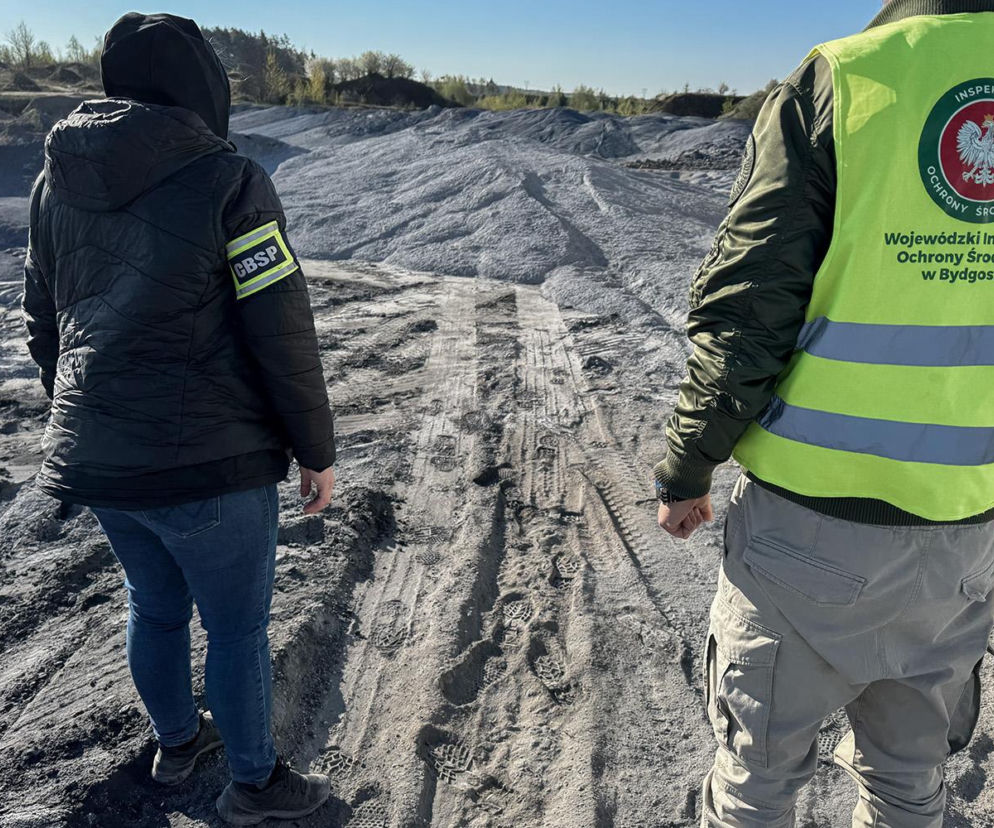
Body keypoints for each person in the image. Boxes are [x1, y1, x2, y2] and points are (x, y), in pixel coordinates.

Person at [652, 1, 994, 825]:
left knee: (759, 780)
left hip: (808, 533)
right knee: (910, 784)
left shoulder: (846, 75)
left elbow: (752, 311)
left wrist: (689, 464)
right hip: (968, 536)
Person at [21, 13, 337, 825]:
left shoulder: (55, 181)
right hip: (210, 462)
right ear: (203, 88)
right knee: (236, 630)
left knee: (153, 606)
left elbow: (43, 322)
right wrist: (316, 448)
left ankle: (177, 742)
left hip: (99, 459)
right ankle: (256, 785)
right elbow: (281, 328)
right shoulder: (230, 179)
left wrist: (90, 418)